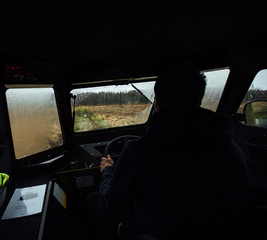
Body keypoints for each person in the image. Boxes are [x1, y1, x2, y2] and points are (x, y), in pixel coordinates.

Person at [87, 64, 248, 240]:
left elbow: (112, 202)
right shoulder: (232, 150)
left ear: (159, 102)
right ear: (198, 100)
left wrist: (108, 171)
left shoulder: (140, 150)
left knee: (94, 200)